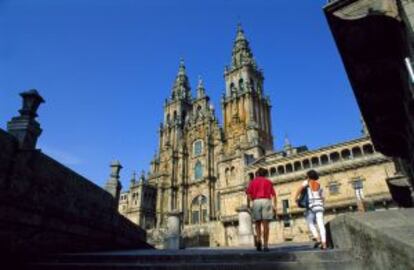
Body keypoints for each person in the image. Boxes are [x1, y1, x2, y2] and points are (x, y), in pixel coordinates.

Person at [246, 167, 277, 252]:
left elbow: (248, 194)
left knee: (257, 223)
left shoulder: (252, 182)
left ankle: (259, 240)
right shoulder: (268, 182)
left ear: (257, 174)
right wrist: (275, 206)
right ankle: (266, 245)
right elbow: (274, 195)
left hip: (256, 201)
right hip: (266, 201)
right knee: (266, 224)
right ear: (265, 174)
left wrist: (249, 205)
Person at [295, 169, 327, 249]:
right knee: (321, 224)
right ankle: (324, 243)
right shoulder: (319, 184)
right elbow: (322, 197)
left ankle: (317, 238)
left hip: (311, 205)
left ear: (309, 176)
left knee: (310, 223)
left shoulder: (307, 182)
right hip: (319, 205)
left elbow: (299, 189)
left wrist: (296, 198)